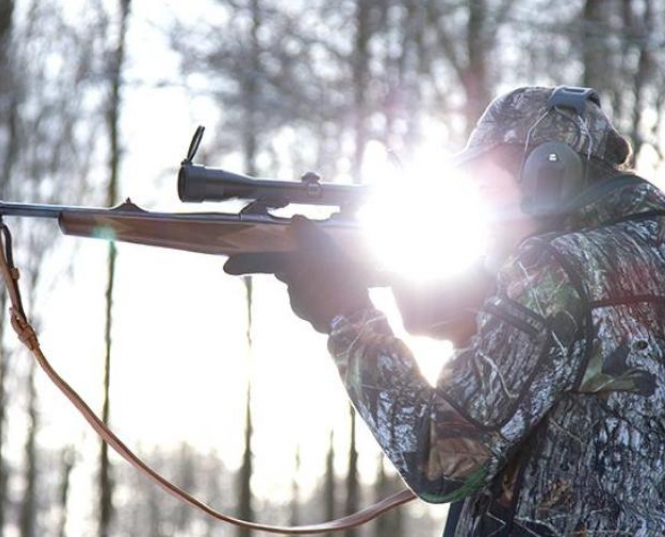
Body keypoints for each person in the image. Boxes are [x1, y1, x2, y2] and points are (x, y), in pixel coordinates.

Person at [225, 86, 665, 536]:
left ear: (547, 173)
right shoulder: (643, 250)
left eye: (484, 184)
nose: (479, 205)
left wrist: (345, 312)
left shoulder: (558, 268)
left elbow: (440, 458)